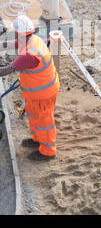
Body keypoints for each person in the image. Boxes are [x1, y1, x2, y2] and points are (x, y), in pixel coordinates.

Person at [0, 15, 59, 160]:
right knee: (33, 116)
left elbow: (4, 71)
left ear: (17, 33)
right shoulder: (33, 39)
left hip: (43, 94)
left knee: (44, 122)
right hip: (35, 93)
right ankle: (37, 140)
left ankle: (48, 152)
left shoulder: (28, 56)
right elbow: (15, 43)